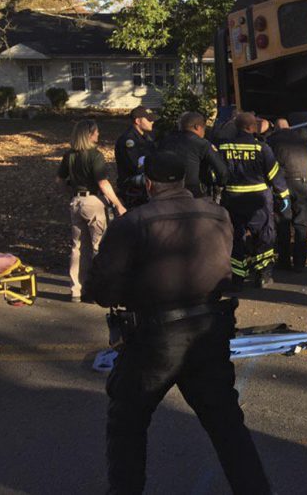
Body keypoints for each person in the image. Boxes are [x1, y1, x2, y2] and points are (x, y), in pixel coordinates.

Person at [85, 151, 270, 494]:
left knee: (127, 423)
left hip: (154, 338)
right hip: (209, 331)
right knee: (227, 426)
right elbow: (229, 266)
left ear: (149, 183)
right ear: (184, 180)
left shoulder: (133, 224)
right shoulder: (218, 216)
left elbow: (103, 290)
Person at [55, 119, 126, 302]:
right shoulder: (95, 156)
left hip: (76, 201)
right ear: (89, 134)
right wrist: (118, 204)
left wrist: (70, 195)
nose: (98, 134)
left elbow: (60, 181)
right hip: (93, 201)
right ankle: (96, 289)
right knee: (98, 246)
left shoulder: (69, 155)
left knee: (77, 246)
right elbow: (103, 183)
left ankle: (76, 289)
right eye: (96, 132)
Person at [218, 112, 290, 289]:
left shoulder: (224, 147)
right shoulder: (261, 148)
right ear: (251, 128)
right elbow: (274, 174)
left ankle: (237, 277)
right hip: (258, 200)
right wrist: (284, 195)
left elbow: (216, 174)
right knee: (264, 235)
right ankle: (263, 275)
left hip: (232, 199)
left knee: (236, 237)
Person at [267, 115, 307, 272]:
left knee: (283, 222)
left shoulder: (272, 140)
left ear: (275, 129)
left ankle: (284, 261)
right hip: (302, 182)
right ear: (289, 127)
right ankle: (299, 263)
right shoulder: (298, 135)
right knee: (301, 223)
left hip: (283, 184)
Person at [158, 111, 229, 198]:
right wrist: (220, 185)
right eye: (204, 129)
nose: (204, 132)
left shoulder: (165, 142)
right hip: (195, 193)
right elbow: (222, 170)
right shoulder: (202, 144)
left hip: (168, 192)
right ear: (197, 127)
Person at [115, 106, 158, 208]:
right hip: (133, 190)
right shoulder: (129, 141)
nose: (152, 122)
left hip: (144, 187)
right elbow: (135, 166)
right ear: (138, 121)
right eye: (149, 120)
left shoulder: (146, 137)